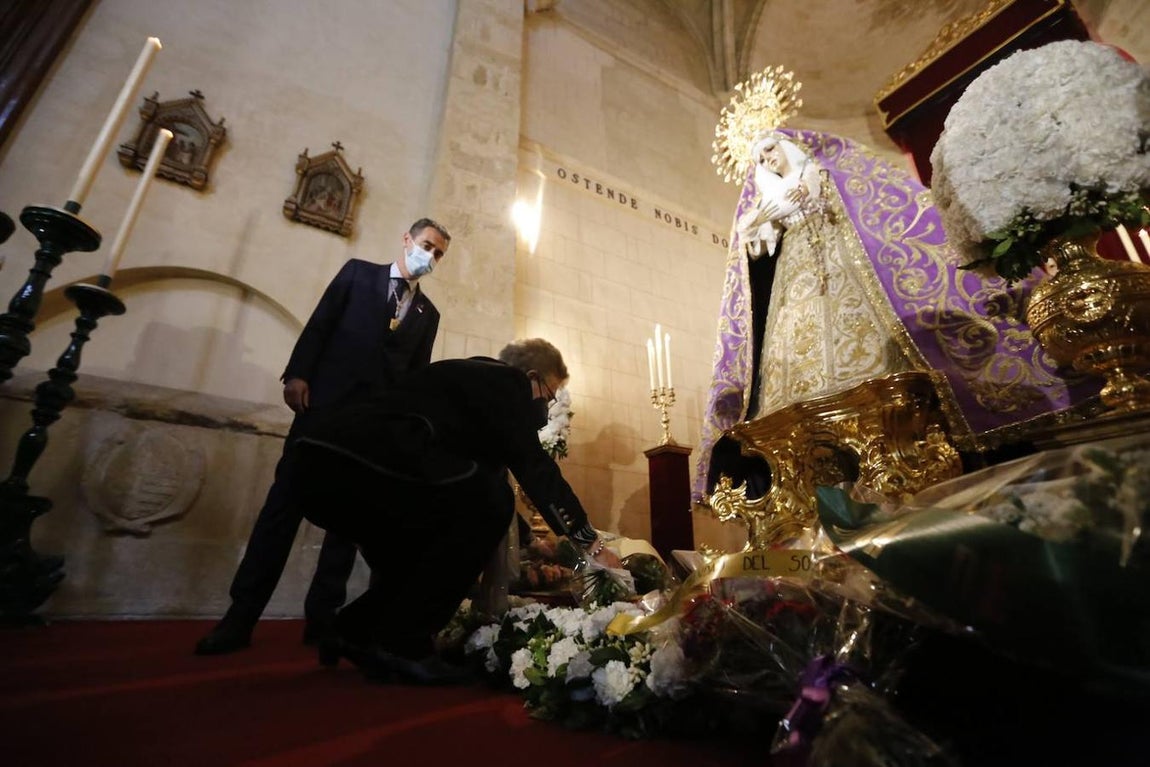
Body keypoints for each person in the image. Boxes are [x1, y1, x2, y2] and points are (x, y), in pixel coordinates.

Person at [288, 338, 622, 683]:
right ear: (532, 375)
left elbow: (473, 475)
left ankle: (353, 629)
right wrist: (590, 543)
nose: (547, 407)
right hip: (362, 464)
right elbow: (534, 468)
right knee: (490, 502)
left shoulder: (469, 383)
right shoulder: (509, 382)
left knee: (426, 546)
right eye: (550, 396)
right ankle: (407, 643)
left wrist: (530, 540)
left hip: (322, 465)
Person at [194, 217, 451, 655]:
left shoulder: (429, 314)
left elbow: (416, 378)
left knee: (345, 529)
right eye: (427, 245)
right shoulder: (358, 273)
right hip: (323, 411)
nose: (430, 257)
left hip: (370, 432)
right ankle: (240, 617)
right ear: (407, 239)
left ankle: (322, 621)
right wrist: (297, 373)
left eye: (439, 254)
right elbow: (321, 324)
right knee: (282, 511)